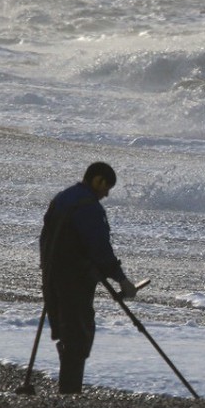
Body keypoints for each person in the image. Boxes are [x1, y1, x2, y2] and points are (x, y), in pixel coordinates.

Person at [39, 162, 137, 394]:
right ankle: (70, 392)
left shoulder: (63, 198)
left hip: (53, 274)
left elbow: (45, 237)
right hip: (75, 278)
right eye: (107, 187)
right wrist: (122, 280)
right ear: (98, 180)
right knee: (78, 334)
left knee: (67, 329)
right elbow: (100, 248)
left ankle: (69, 388)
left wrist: (47, 270)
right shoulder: (88, 206)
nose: (107, 194)